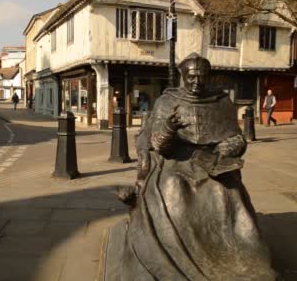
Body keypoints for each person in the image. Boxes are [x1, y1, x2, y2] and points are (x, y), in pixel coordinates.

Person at [115, 53, 275, 280]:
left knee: (225, 191)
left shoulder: (221, 102)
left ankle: (238, 257)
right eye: (191, 77)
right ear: (183, 76)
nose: (197, 82)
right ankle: (178, 256)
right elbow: (158, 146)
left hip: (213, 161)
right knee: (174, 188)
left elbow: (238, 138)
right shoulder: (167, 101)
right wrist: (169, 128)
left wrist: (228, 147)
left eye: (202, 77)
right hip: (175, 160)